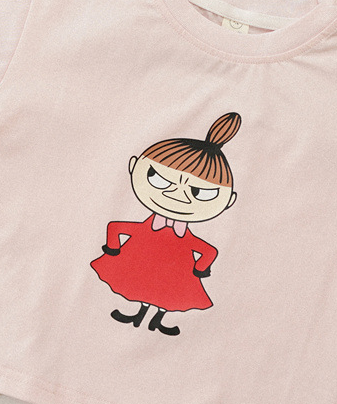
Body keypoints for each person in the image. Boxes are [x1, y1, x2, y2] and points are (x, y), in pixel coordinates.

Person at [91, 112, 241, 335]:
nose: (177, 195)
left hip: (172, 263)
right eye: (159, 179)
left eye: (200, 193)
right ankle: (140, 316)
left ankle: (156, 320)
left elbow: (116, 227)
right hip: (153, 254)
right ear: (133, 165)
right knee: (146, 286)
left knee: (167, 292)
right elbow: (116, 227)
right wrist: (201, 267)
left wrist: (114, 247)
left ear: (229, 201)